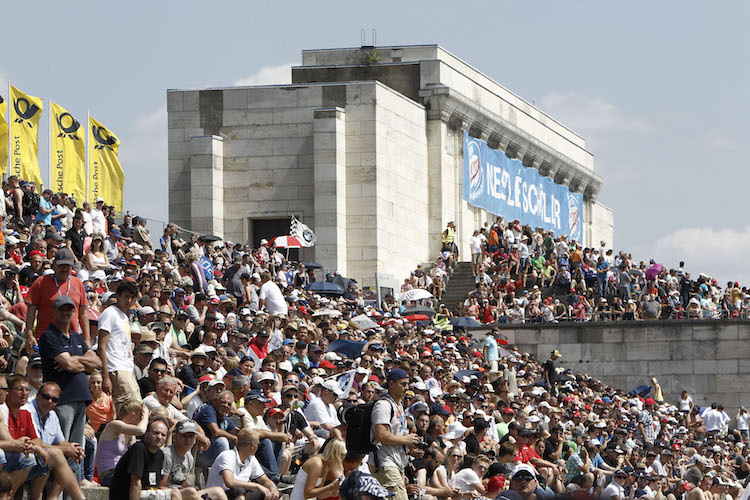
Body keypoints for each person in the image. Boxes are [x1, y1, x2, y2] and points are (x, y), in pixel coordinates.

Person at [38, 294, 101, 479]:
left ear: (74, 312)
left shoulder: (77, 337)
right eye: (62, 309)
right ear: (54, 311)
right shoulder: (49, 336)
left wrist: (75, 358)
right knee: (62, 449)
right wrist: (81, 361)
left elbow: (96, 362)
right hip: (62, 399)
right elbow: (69, 366)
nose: (66, 312)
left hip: (80, 399)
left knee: (76, 453)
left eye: (69, 309)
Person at [4, 375, 86, 500]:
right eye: (46, 397)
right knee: (52, 455)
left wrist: (70, 447)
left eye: (54, 400)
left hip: (31, 455)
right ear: (37, 395)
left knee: (65, 457)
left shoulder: (48, 415)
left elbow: (42, 440)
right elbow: (30, 443)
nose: (49, 402)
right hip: (16, 456)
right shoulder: (25, 409)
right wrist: (60, 449)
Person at [369, 368, 421, 500]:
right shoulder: (383, 405)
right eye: (402, 384)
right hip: (385, 462)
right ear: (391, 384)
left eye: (407, 384)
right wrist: (405, 440)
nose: (406, 388)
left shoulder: (398, 405)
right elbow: (380, 435)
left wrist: (409, 448)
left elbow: (395, 437)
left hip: (396, 463)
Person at [24, 247, 90, 347]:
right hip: (45, 339)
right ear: (54, 264)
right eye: (61, 265)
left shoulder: (77, 283)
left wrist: (87, 339)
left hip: (71, 340)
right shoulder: (41, 282)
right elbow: (31, 310)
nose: (64, 268)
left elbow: (83, 313)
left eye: (67, 265)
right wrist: (29, 334)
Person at [98, 281, 143, 414]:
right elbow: (102, 346)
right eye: (126, 296)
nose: (129, 300)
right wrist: (106, 376)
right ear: (118, 295)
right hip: (116, 368)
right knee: (130, 412)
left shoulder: (124, 316)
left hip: (127, 368)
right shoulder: (110, 313)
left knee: (134, 412)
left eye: (132, 298)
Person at [108, 417, 176, 500]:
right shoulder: (139, 449)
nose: (159, 437)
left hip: (148, 493)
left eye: (163, 435)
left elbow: (156, 485)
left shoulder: (160, 454)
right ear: (146, 433)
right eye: (156, 433)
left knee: (188, 493)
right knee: (175, 494)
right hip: (127, 495)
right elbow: (135, 484)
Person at [159, 419, 228, 500]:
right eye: (184, 435)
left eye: (191, 436)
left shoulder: (189, 458)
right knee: (191, 492)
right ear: (176, 436)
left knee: (218, 491)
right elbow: (160, 487)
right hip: (167, 495)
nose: (188, 440)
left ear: (195, 439)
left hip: (181, 493)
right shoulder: (167, 455)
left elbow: (182, 486)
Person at [205, 428, 281, 500]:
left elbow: (264, 480)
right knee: (238, 490)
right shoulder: (227, 455)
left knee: (276, 495)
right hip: (220, 495)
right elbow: (229, 482)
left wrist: (272, 487)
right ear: (252, 446)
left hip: (240, 493)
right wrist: (257, 486)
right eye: (258, 443)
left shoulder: (251, 458)